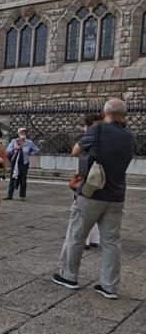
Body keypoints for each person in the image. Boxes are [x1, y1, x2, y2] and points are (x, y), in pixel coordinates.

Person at [53, 99, 136, 300]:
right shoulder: (130, 136)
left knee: (77, 235)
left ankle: (69, 276)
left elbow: (75, 151)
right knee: (112, 242)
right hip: (116, 195)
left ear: (103, 112)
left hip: (92, 191)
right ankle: (110, 287)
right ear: (124, 114)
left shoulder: (97, 131)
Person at [80, 114, 104, 250]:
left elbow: (76, 152)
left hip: (89, 176)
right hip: (103, 177)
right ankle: (95, 239)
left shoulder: (89, 138)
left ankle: (85, 240)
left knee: (84, 210)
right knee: (97, 210)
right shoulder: (108, 138)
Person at [5, 127, 40, 201]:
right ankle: (10, 195)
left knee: (23, 179)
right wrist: (15, 149)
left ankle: (22, 196)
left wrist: (31, 152)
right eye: (21, 132)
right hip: (15, 162)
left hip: (24, 162)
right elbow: (8, 149)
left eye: (24, 132)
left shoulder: (29, 142)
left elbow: (37, 150)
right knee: (12, 178)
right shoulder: (14, 141)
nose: (23, 134)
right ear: (18, 134)